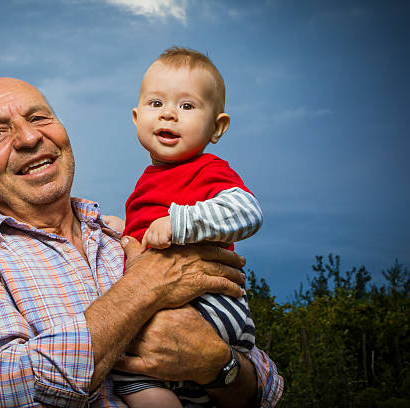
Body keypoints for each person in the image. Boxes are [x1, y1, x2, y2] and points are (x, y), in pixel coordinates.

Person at [0, 76, 283, 407]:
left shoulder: (126, 237)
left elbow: (263, 389)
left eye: (39, 118)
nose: (29, 138)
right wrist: (146, 286)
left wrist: (218, 365)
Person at [115, 47, 264, 408]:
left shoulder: (208, 169)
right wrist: (119, 231)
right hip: (179, 309)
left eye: (186, 106)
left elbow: (248, 212)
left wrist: (180, 223)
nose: (168, 113)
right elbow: (147, 234)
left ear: (217, 127)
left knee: (124, 365)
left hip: (212, 305)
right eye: (155, 104)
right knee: (141, 375)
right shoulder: (146, 182)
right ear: (136, 118)